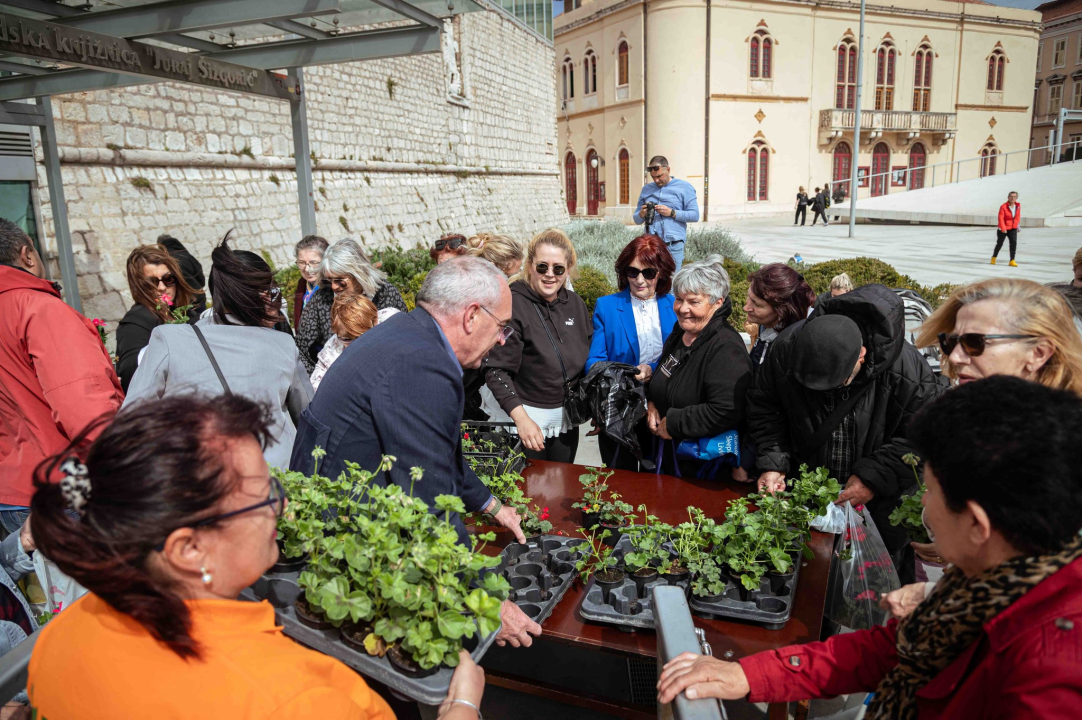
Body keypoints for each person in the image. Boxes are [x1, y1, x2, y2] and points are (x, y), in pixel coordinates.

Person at [26, 394, 486, 719]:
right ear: (189, 549)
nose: (282, 505)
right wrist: (462, 709)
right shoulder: (295, 700)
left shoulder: (60, 637)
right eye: (264, 494)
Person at [659, 377, 1082, 719]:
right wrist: (748, 674)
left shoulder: (1047, 679)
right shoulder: (994, 579)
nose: (923, 509)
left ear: (977, 524)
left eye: (929, 492)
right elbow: (883, 651)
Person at [290, 257, 542, 650]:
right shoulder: (423, 365)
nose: (502, 340)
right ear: (472, 316)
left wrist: (490, 505)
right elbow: (427, 495)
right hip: (347, 552)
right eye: (502, 326)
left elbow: (437, 450)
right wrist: (487, 602)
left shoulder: (408, 334)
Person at [749, 284, 945, 573]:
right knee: (811, 584)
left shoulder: (908, 370)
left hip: (878, 505)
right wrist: (773, 462)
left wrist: (872, 478)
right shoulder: (788, 347)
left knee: (877, 587)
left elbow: (922, 437)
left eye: (836, 383)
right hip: (811, 499)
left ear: (862, 356)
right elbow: (765, 408)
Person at [125, 235, 313, 470]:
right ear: (255, 297)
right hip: (276, 480)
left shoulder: (169, 340)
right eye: (272, 294)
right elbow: (309, 417)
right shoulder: (282, 344)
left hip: (204, 484)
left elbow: (131, 419)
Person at [0, 218, 123, 538]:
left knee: (57, 588)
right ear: (27, 255)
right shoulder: (38, 309)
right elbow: (85, 410)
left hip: (13, 492)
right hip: (66, 487)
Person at [482, 229, 593, 463]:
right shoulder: (513, 304)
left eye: (558, 268)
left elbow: (589, 357)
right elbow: (496, 370)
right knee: (527, 496)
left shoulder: (575, 305)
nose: (550, 275)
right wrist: (521, 420)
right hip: (525, 422)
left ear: (568, 269)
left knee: (561, 489)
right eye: (542, 267)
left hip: (565, 421)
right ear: (530, 265)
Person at [646, 255, 752, 479]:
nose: (683, 309)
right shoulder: (681, 331)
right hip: (670, 457)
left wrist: (674, 423)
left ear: (718, 302)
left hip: (703, 467)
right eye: (679, 299)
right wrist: (652, 402)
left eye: (694, 302)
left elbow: (725, 410)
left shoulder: (725, 347)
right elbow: (666, 376)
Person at [586, 234, 678, 470]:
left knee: (659, 482)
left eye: (648, 273)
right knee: (619, 482)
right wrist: (624, 378)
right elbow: (595, 363)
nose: (639, 280)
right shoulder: (606, 306)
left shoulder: (676, 306)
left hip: (664, 408)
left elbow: (682, 357)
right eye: (632, 271)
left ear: (662, 273)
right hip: (619, 408)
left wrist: (652, 370)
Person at [916, 278, 1082, 396]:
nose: (955, 357)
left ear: (1038, 353)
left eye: (974, 342)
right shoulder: (946, 427)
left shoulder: (1067, 439)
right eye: (951, 342)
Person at [296, 237, 407, 373]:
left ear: (358, 273)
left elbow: (404, 339)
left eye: (339, 280)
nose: (334, 286)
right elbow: (301, 351)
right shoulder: (322, 300)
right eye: (329, 280)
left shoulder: (385, 294)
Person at [115, 245, 199, 393]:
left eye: (168, 279)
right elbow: (131, 376)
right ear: (139, 286)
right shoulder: (136, 322)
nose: (161, 287)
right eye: (152, 282)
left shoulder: (187, 315)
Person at [632, 156, 700, 272]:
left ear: (668, 169)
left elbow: (695, 215)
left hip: (673, 246)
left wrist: (672, 213)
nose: (656, 180)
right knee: (652, 283)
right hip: (651, 246)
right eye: (653, 177)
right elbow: (636, 219)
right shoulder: (646, 190)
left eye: (659, 176)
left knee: (672, 284)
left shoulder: (684, 187)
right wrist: (642, 213)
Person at [744, 263, 816, 368]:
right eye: (749, 297)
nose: (746, 308)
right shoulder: (766, 326)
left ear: (782, 311)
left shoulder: (798, 349)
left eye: (756, 304)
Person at [310, 291, 378, 392]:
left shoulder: (391, 325)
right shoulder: (330, 352)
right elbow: (315, 391)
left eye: (361, 337)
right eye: (347, 339)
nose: (356, 345)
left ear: (375, 322)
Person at [157, 234, 206, 314]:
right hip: (198, 298)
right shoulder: (187, 256)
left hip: (180, 304)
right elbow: (201, 278)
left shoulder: (165, 261)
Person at [292, 235, 329, 329]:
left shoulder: (333, 288)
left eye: (313, 262)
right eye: (302, 263)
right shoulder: (301, 286)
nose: (307, 269)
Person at [991, 191, 1020, 267]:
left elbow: (1017, 217)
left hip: (1013, 228)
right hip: (1003, 228)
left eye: (1014, 197)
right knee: (999, 244)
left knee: (1013, 244)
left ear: (1016, 198)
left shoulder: (1018, 206)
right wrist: (1003, 228)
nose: (1012, 198)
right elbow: (1001, 218)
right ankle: (994, 257)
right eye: (1011, 196)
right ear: (1008, 197)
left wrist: (1017, 225)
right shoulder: (1003, 206)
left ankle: (1012, 260)